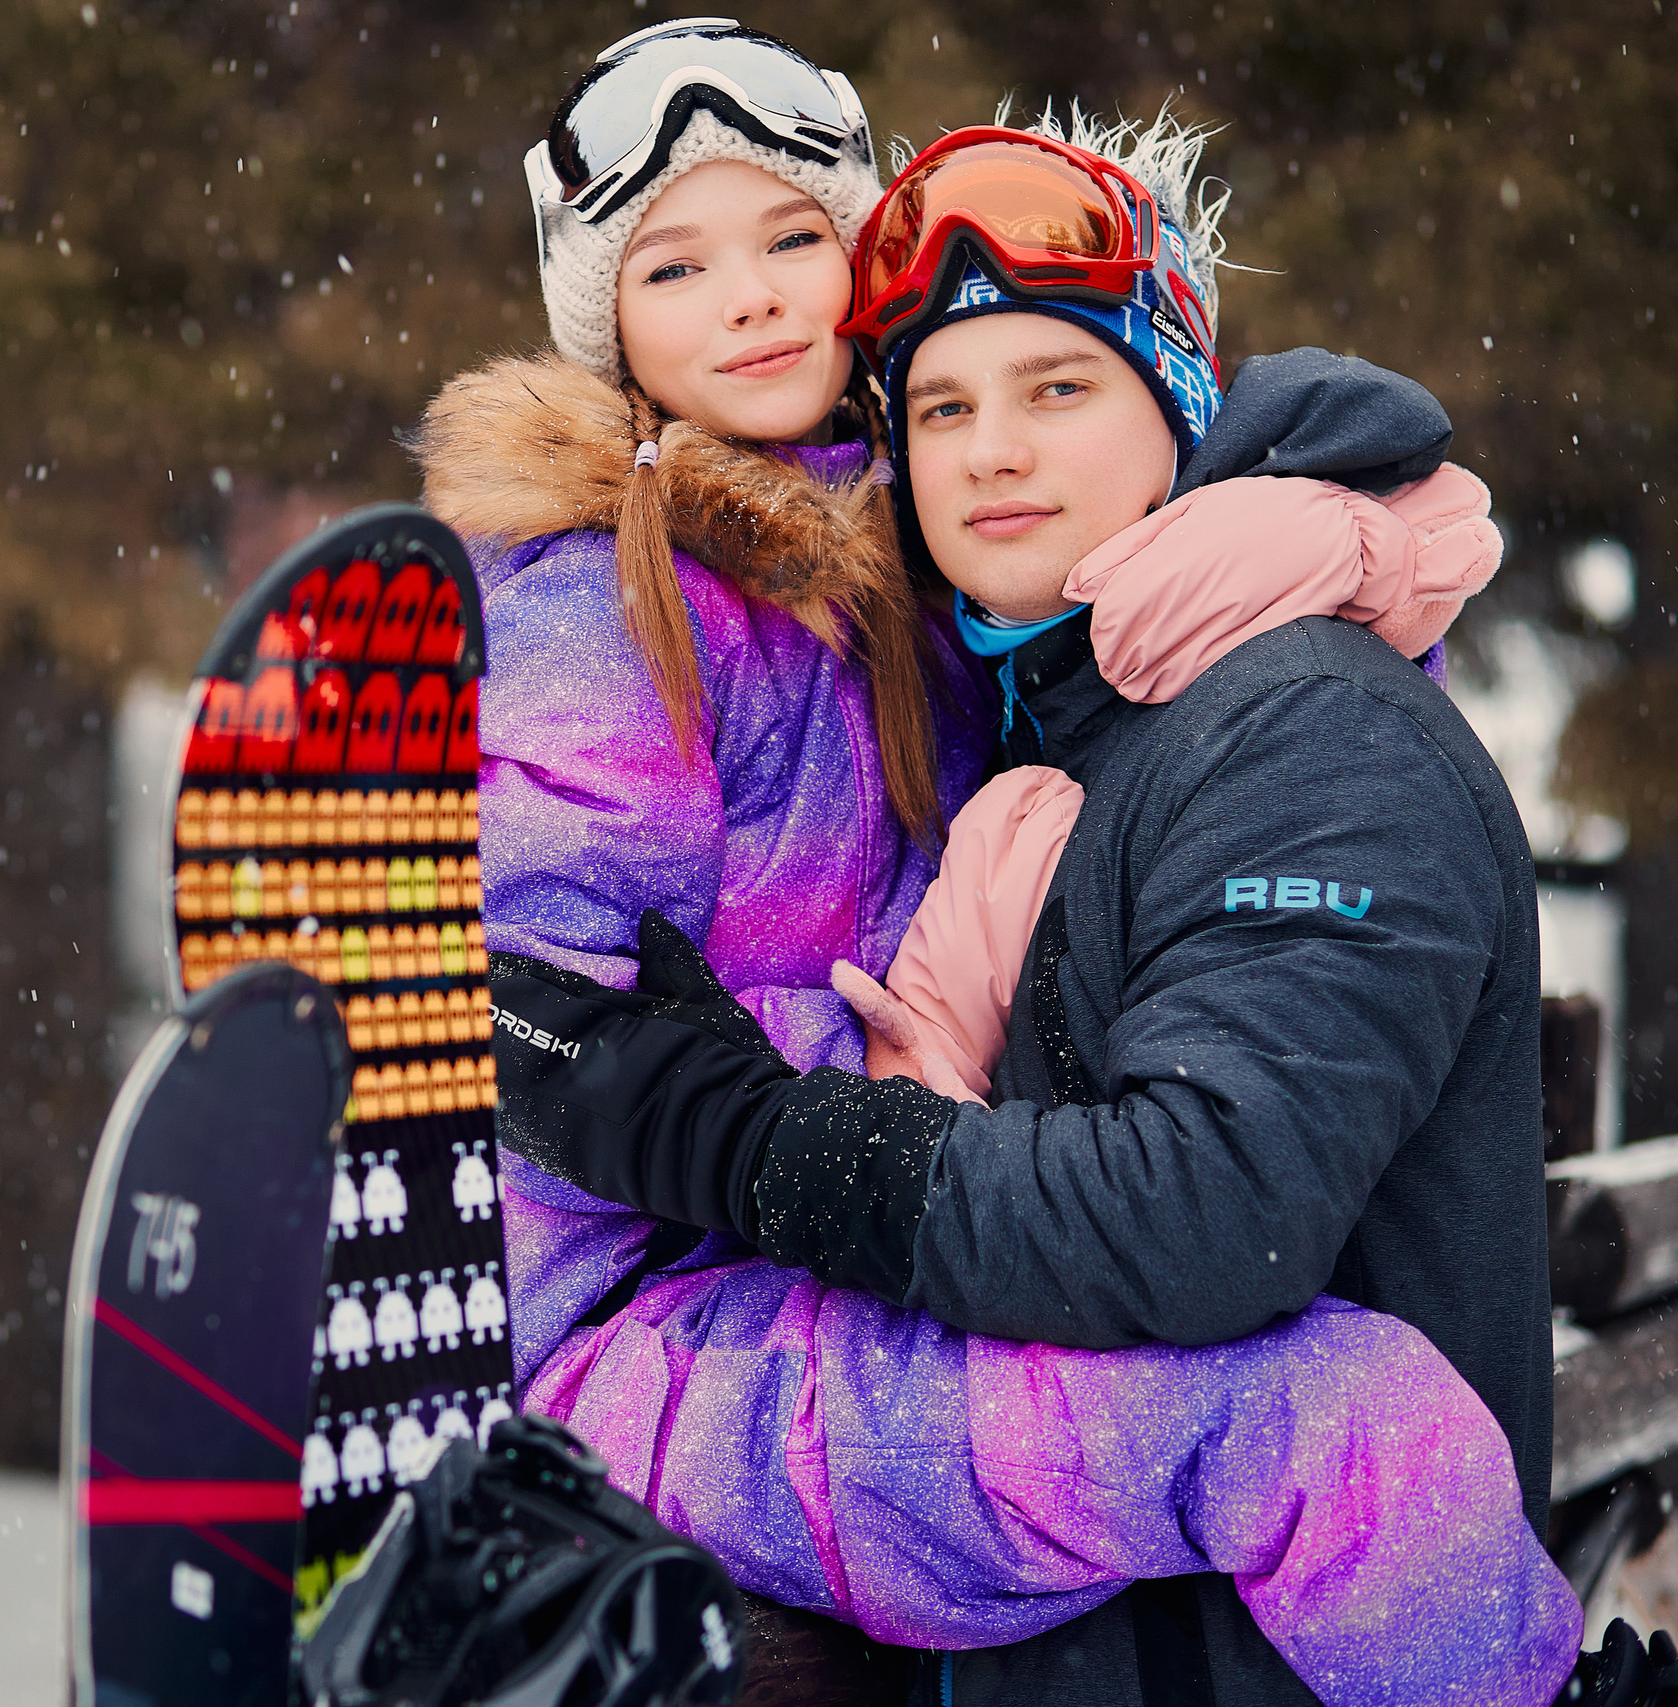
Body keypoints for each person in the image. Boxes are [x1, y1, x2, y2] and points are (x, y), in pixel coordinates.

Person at [466, 61, 1665, 1705]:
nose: (993, 457)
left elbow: (1208, 1182)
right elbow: (530, 989)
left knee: (1334, 1418)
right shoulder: (649, 610)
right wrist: (607, 1081)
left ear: (1173, 407)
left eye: (1057, 390)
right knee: (1316, 1414)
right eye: (947, 406)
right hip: (674, 1337)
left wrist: (789, 1146)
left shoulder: (1062, 656)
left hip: (856, 1297)